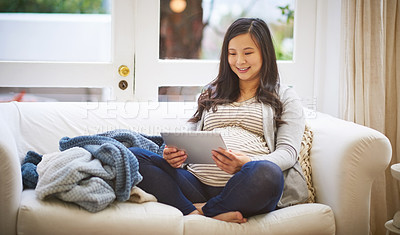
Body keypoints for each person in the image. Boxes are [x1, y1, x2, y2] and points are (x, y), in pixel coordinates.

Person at [129, 17, 308, 223]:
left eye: (248, 53)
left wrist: (247, 163)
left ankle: (202, 211)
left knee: (268, 173)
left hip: (247, 185)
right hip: (195, 183)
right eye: (232, 54)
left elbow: (288, 153)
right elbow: (188, 136)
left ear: (265, 53)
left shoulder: (284, 96)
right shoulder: (210, 92)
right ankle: (203, 211)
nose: (239, 61)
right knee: (134, 156)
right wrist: (174, 154)